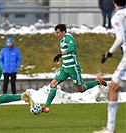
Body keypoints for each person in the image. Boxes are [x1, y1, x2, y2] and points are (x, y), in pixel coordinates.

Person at [28, 24, 107, 113]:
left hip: (73, 68)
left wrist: (60, 54)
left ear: (63, 32)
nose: (56, 35)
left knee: (81, 89)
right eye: (55, 33)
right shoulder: (62, 40)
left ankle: (98, 81)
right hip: (65, 68)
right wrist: (61, 56)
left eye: (58, 33)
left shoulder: (68, 37)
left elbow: (72, 48)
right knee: (53, 84)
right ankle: (46, 106)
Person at [93, 0, 126, 133]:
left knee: (113, 89)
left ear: (113, 1)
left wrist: (109, 53)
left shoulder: (118, 16)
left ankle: (110, 129)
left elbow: (121, 38)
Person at [0, 35, 33, 107]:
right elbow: (0, 58)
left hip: (8, 69)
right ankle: (21, 96)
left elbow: (19, 59)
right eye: (8, 42)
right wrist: (3, 66)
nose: (9, 44)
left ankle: (14, 93)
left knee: (13, 83)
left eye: (10, 42)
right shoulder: (3, 50)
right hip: (1, 69)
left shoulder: (16, 50)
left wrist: (15, 66)